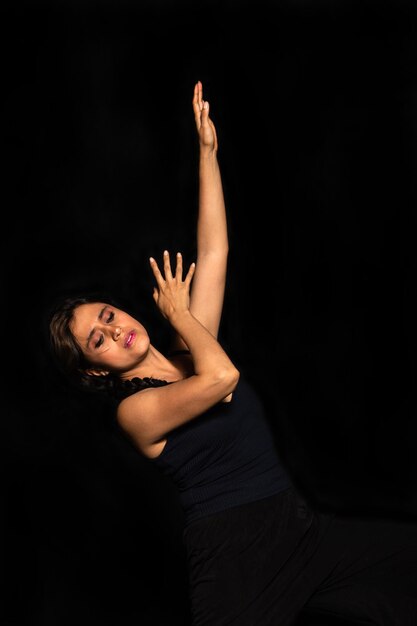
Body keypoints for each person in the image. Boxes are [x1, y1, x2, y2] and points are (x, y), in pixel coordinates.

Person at [48, 81, 417, 626]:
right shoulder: (134, 412)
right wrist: (180, 316)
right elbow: (222, 378)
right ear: (95, 368)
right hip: (237, 558)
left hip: (300, 530)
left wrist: (207, 155)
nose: (115, 328)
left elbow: (214, 251)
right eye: (97, 339)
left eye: (108, 315)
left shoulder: (187, 350)